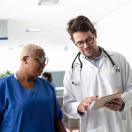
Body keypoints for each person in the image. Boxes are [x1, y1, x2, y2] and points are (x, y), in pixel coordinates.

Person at [63, 15, 132, 132]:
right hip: (92, 127)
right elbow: (67, 105)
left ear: (95, 34)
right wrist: (79, 107)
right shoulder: (71, 71)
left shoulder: (119, 59)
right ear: (75, 43)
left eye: (89, 40)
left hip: (120, 126)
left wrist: (123, 102)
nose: (85, 46)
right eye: (80, 43)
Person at [0, 44, 66, 132]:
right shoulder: (4, 86)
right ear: (25, 59)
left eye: (45, 60)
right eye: (40, 59)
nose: (43, 64)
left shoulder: (47, 86)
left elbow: (57, 121)